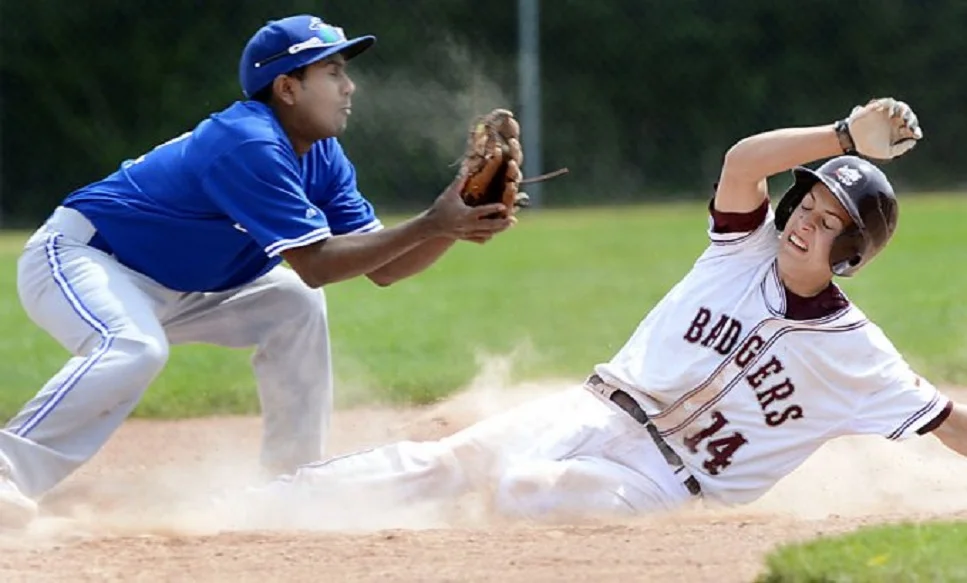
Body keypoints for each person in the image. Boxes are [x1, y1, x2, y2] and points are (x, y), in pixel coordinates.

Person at [219, 96, 967, 529]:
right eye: (807, 199)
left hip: (666, 482)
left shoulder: (854, 351)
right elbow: (743, 162)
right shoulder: (743, 247)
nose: (804, 216)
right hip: (595, 408)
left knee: (518, 489)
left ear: (851, 252)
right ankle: (265, 508)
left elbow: (946, 422)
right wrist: (839, 138)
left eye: (829, 217)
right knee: (451, 462)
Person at [0, 14, 515, 528]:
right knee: (134, 346)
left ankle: (290, 483)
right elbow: (316, 264)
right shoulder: (248, 142)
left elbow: (385, 267)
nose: (348, 86)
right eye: (332, 72)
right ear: (287, 88)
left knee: (292, 304)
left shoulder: (322, 156)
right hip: (83, 257)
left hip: (181, 284)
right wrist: (432, 222)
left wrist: (454, 224)